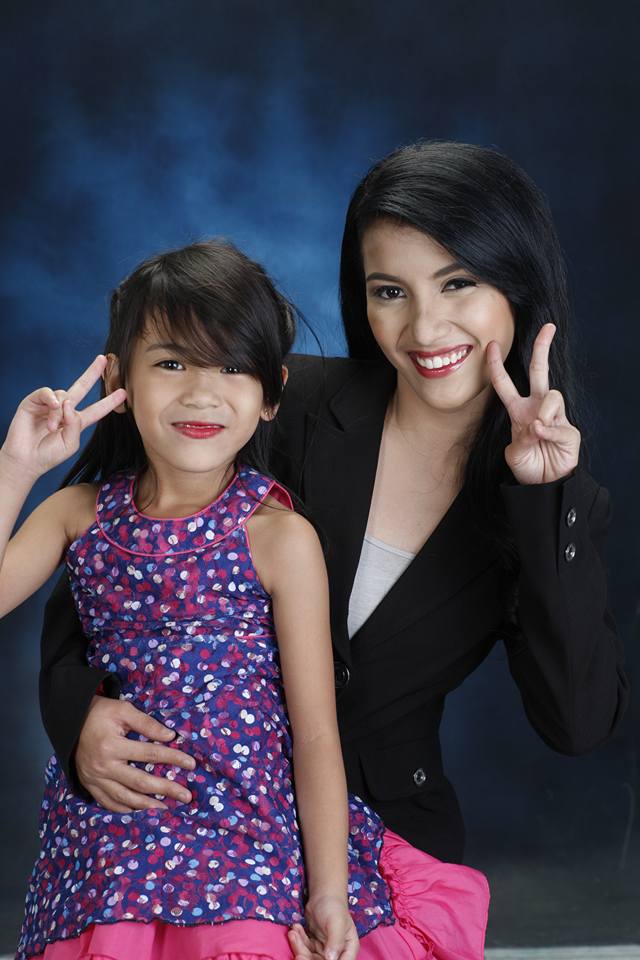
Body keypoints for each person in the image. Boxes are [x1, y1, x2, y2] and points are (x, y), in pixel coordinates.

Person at [40, 142, 627, 863]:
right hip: (187, 824)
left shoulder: (552, 505)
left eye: (458, 283)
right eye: (390, 291)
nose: (424, 329)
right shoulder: (278, 404)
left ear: (519, 286)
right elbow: (101, 565)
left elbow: (578, 724)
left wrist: (544, 499)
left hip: (386, 837)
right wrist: (79, 714)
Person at [4, 240, 488, 960]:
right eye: (172, 363)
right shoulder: (78, 512)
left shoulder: (279, 537)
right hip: (112, 836)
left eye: (232, 367)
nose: (202, 393)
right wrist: (17, 467)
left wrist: (326, 889)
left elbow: (316, 731)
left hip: (246, 841)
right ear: (123, 381)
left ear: (270, 397)